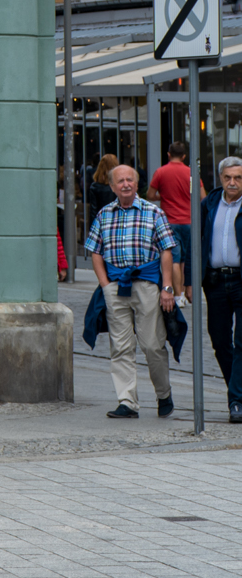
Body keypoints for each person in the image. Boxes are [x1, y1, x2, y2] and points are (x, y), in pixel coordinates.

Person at [85, 162, 178, 420]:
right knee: (120, 346)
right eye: (120, 181)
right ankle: (127, 402)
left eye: (130, 180)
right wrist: (105, 286)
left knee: (152, 345)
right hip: (116, 287)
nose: (126, 184)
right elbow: (94, 251)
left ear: (137, 185)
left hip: (146, 285)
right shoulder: (105, 214)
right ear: (113, 187)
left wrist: (167, 287)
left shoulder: (153, 212)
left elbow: (167, 250)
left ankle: (163, 393)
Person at [198, 157, 242, 421]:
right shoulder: (209, 204)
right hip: (214, 281)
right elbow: (197, 242)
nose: (233, 182)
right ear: (220, 178)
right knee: (220, 341)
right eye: (228, 177)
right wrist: (191, 281)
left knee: (241, 342)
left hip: (240, 281)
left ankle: (236, 401)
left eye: (237, 177)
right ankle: (236, 391)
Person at [149, 142, 193, 296]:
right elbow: (201, 197)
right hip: (189, 220)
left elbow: (149, 195)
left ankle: (178, 295)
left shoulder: (161, 172)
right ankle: (183, 290)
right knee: (184, 260)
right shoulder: (190, 172)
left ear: (168, 154)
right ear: (184, 156)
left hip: (169, 221)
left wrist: (164, 195)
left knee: (174, 258)